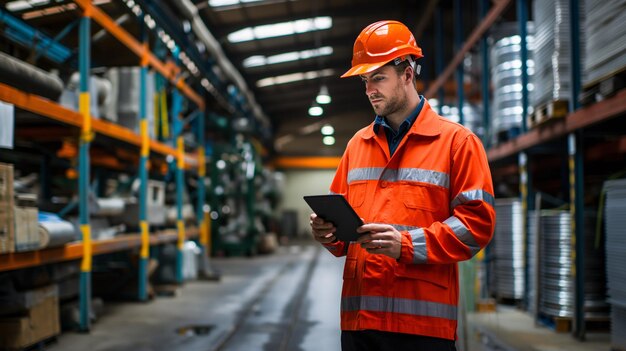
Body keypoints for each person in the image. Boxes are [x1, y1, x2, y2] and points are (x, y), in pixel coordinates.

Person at [309, 20, 496, 351]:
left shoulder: (457, 143)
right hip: (360, 323)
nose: (370, 90)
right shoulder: (357, 145)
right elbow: (342, 235)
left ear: (408, 74)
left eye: (378, 78)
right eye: (365, 81)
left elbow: (476, 225)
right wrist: (328, 233)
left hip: (422, 328)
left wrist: (408, 245)